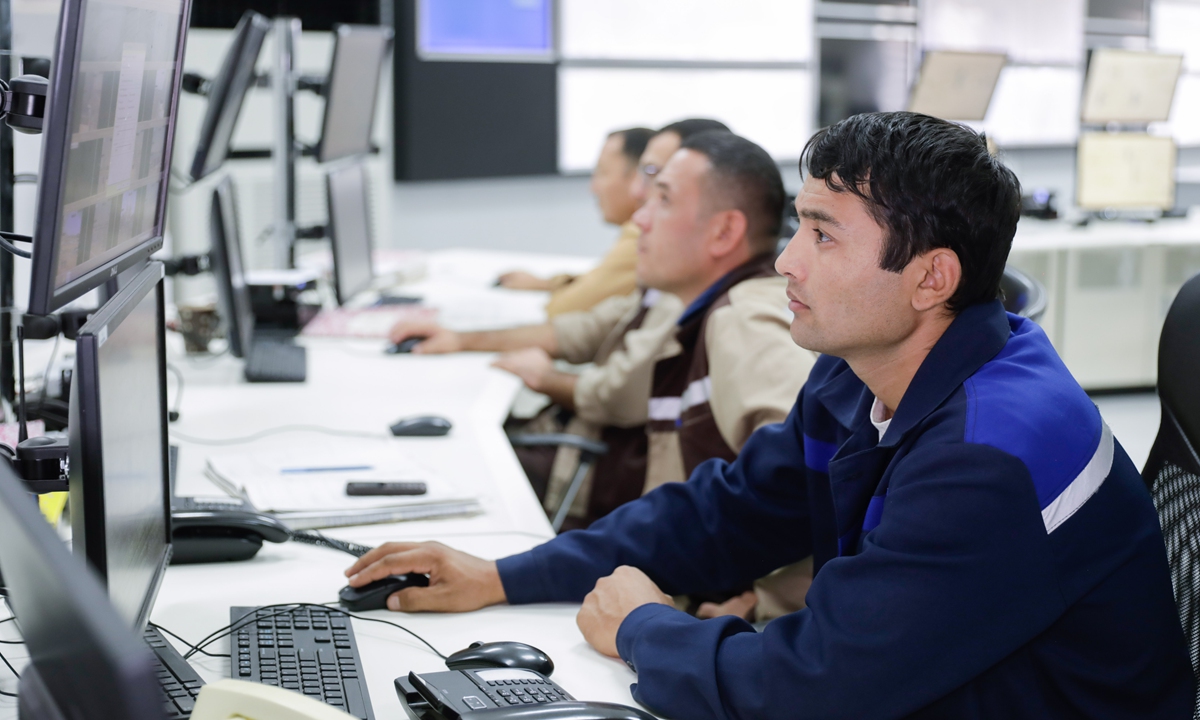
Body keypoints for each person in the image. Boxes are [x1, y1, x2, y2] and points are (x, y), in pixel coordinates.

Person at [350, 112, 1193, 719]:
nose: (786, 261)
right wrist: (502, 577)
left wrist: (644, 628)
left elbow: (819, 688)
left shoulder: (991, 454)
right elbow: (727, 514)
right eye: (798, 228)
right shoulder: (860, 369)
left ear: (931, 279)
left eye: (823, 237)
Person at [388, 131, 811, 532]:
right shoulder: (693, 299)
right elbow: (584, 328)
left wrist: (761, 596)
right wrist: (462, 340)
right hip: (656, 541)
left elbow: (810, 465)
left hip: (622, 509)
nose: (639, 215)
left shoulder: (743, 317)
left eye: (661, 196)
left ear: (724, 231)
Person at [497, 127, 654, 317]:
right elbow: (601, 278)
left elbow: (563, 309)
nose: (593, 188)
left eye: (602, 173)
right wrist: (547, 284)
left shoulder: (642, 235)